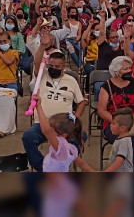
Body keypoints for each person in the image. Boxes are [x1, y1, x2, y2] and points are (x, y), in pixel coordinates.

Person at [22, 34, 86, 171]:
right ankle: (43, 167)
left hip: (64, 125)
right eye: (51, 65)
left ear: (64, 67)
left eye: (57, 66)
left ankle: (62, 165)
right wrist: (43, 46)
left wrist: (76, 118)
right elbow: (37, 61)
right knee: (28, 137)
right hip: (42, 123)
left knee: (81, 136)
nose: (54, 68)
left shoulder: (71, 80)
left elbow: (81, 102)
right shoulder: (43, 74)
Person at [97, 55, 134, 171]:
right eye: (125, 69)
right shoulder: (106, 87)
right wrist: (116, 121)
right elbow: (101, 110)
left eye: (130, 68)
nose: (129, 71)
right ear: (116, 71)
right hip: (114, 124)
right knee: (128, 141)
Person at [75, 108, 134, 172]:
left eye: (113, 123)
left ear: (122, 128)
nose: (110, 125)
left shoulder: (124, 142)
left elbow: (119, 161)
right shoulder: (121, 139)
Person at [33, 100, 82, 173]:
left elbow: (46, 130)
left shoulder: (60, 146)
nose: (50, 133)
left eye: (52, 130)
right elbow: (81, 163)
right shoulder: (71, 148)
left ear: (63, 135)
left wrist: (38, 107)